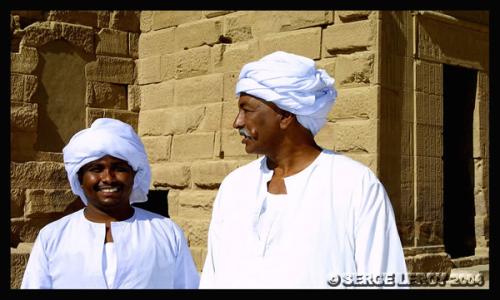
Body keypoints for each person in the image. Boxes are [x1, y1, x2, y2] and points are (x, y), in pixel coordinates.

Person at [199, 51, 408, 288]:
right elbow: (213, 276)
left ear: (286, 115)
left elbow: (381, 278)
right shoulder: (235, 186)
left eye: (247, 109)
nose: (237, 122)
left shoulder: (353, 184)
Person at [21, 118, 200, 289]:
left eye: (119, 168)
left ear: (134, 176)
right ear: (80, 179)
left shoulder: (167, 233)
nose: (108, 178)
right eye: (96, 169)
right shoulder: (52, 237)